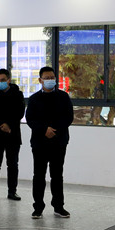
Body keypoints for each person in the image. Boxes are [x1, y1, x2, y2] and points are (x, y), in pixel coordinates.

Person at [25, 66, 73, 219]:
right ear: (40, 80)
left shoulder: (63, 97)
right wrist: (44, 129)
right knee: (39, 175)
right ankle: (38, 207)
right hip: (39, 143)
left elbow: (68, 117)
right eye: (46, 78)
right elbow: (30, 119)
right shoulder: (34, 99)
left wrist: (54, 130)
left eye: (52, 77)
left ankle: (58, 207)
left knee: (57, 175)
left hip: (59, 142)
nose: (50, 80)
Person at [0, 68, 25, 201]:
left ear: (8, 80)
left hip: (13, 135)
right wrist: (1, 125)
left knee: (13, 165)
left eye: (3, 80)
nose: (0, 82)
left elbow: (19, 113)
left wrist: (9, 125)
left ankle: (12, 191)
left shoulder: (18, 94)